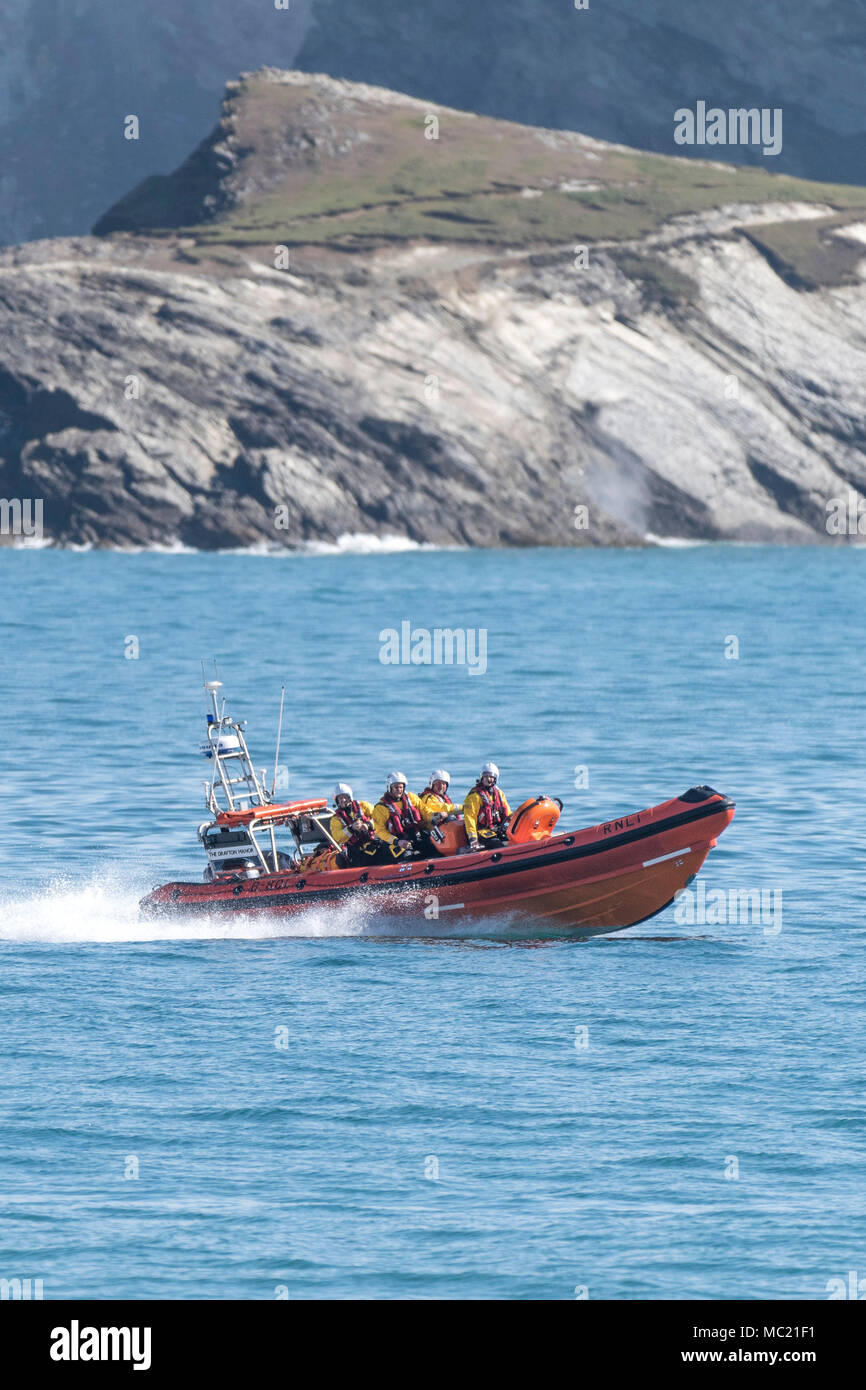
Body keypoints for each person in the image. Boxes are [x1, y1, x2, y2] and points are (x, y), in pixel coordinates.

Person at [330, 783, 390, 867]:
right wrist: (351, 829)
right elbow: (337, 837)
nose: (343, 800)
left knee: (388, 852)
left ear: (350, 797)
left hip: (374, 842)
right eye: (340, 798)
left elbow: (380, 817)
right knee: (363, 860)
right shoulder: (336, 819)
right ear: (336, 801)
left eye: (345, 797)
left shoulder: (363, 806)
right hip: (356, 850)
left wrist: (368, 825)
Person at [373, 772, 427, 857]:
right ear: (389, 788)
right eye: (396, 787)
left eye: (401, 787)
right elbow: (380, 831)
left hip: (413, 836)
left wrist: (435, 816)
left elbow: (425, 811)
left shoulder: (412, 798)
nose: (399, 790)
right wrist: (397, 841)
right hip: (394, 842)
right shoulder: (381, 808)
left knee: (430, 844)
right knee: (407, 855)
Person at [463, 762, 511, 850]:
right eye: (486, 776)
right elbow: (470, 818)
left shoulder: (499, 794)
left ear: (495, 778)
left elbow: (508, 812)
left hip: (497, 829)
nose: (488, 779)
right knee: (497, 844)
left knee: (511, 840)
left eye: (491, 777)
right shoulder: (474, 796)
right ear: (482, 778)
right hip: (481, 831)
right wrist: (473, 839)